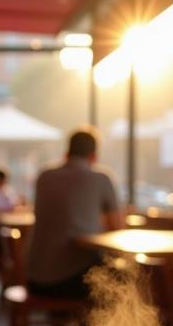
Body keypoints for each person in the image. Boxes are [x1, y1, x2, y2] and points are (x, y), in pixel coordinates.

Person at [27, 128, 121, 299]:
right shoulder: (101, 179)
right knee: (120, 276)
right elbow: (116, 228)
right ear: (94, 156)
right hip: (70, 281)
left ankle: (63, 324)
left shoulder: (44, 177)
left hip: (34, 278)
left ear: (67, 153)